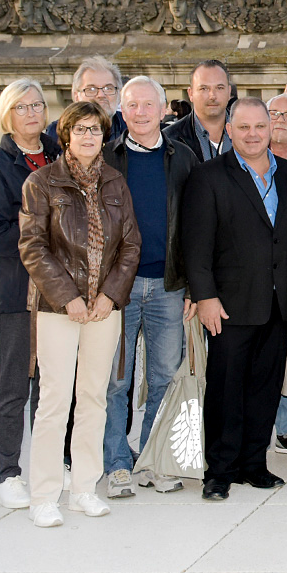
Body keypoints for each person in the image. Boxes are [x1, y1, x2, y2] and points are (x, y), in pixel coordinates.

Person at [18, 101, 141, 526]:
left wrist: (110, 294)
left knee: (93, 397)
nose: (88, 137)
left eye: (95, 130)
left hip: (105, 309)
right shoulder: (41, 182)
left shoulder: (115, 182)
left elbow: (130, 245)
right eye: (80, 129)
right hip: (58, 308)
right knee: (54, 400)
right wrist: (67, 295)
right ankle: (45, 495)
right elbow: (32, 246)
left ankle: (84, 488)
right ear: (65, 134)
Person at [181, 99, 287, 500]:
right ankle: (220, 469)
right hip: (229, 304)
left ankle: (254, 463)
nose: (253, 134)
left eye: (260, 126)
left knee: (265, 388)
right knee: (225, 389)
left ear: (272, 129)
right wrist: (205, 297)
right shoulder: (208, 176)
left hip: (279, 301)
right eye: (243, 127)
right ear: (230, 130)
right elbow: (196, 247)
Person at [99, 76, 200, 498]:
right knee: (116, 381)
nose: (139, 113)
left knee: (164, 377)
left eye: (147, 105)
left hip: (168, 284)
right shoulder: (105, 157)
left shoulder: (184, 158)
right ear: (121, 112)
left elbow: (197, 226)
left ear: (164, 110)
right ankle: (118, 463)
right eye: (131, 105)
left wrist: (196, 285)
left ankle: (156, 459)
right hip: (117, 288)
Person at [0, 79, 60, 510]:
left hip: (57, 294)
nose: (32, 113)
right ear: (6, 114)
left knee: (50, 387)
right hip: (14, 294)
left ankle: (48, 464)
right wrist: (43, 231)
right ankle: (7, 472)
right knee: (13, 385)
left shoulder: (59, 156)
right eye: (22, 107)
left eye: (38, 105)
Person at [42, 56, 126, 149]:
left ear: (119, 94)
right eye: (91, 89)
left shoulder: (130, 128)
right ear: (76, 96)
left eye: (108, 88)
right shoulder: (57, 132)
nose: (101, 95)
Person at [167, 59, 233, 162]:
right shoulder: (169, 140)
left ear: (229, 92)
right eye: (204, 89)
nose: (212, 96)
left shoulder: (252, 134)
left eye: (219, 88)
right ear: (190, 93)